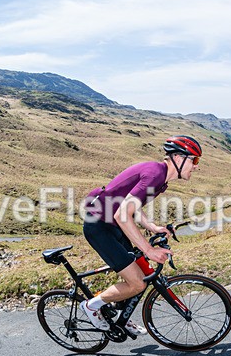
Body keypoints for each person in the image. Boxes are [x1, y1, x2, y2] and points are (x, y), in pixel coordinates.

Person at [79, 135, 202, 335]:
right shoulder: (155, 175)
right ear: (179, 158)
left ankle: (121, 317)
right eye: (194, 160)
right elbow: (122, 215)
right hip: (99, 227)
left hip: (112, 225)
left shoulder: (160, 177)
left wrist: (151, 226)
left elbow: (131, 203)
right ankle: (91, 306)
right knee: (137, 283)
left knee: (140, 272)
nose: (196, 166)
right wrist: (149, 249)